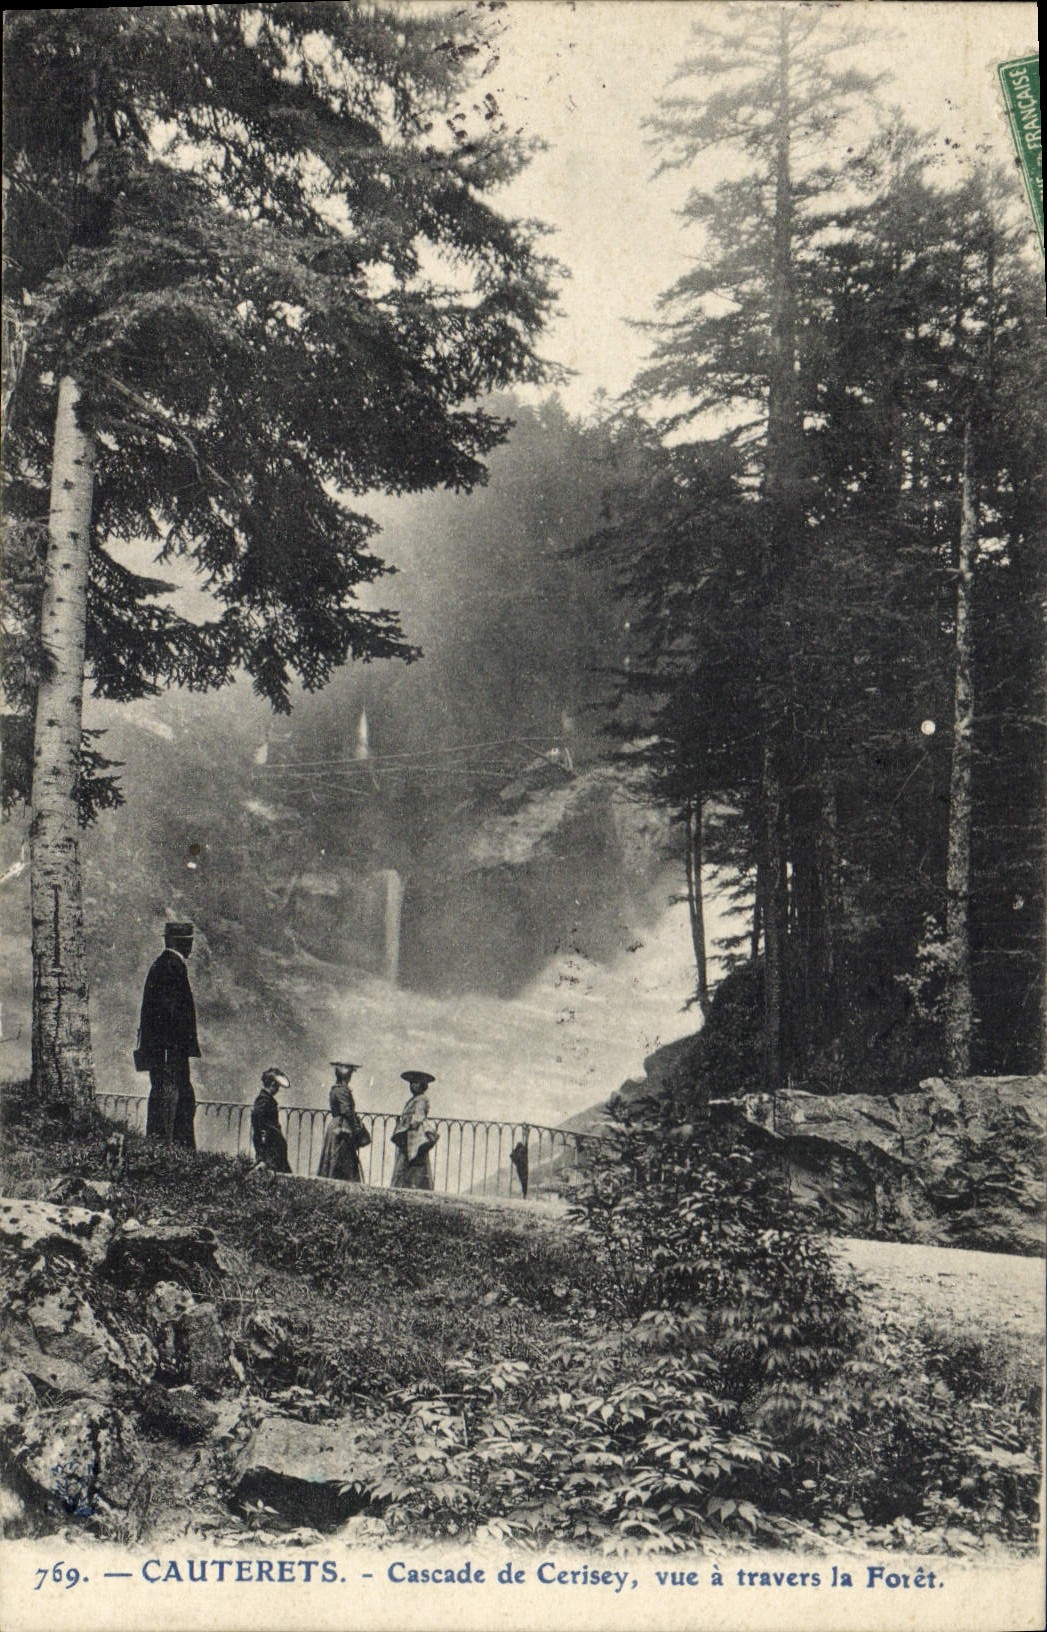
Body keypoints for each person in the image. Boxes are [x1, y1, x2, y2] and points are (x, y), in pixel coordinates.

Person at [137, 920, 200, 1149]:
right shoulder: (171, 966)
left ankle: (173, 1150)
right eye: (188, 942)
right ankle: (168, 1151)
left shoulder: (165, 965)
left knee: (179, 1100)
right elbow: (169, 1014)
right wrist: (171, 1050)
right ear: (177, 942)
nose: (190, 947)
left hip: (166, 1052)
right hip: (170, 1054)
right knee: (171, 1102)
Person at [316, 1061, 369, 1182]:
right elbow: (347, 1111)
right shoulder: (342, 1090)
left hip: (336, 1125)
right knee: (341, 1157)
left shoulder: (336, 1089)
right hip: (342, 1126)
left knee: (336, 1158)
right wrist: (356, 1127)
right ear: (347, 1076)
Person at [390, 1070, 438, 1190]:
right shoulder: (413, 1100)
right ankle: (404, 1186)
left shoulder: (422, 1099)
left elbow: (418, 1117)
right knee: (406, 1160)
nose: (413, 1086)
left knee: (415, 1160)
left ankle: (416, 1186)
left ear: (423, 1085)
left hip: (415, 1135)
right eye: (411, 1083)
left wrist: (408, 1125)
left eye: (416, 1083)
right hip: (409, 1135)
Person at [252, 1068, 292, 1173]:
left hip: (274, 1147)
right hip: (270, 1149)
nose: (278, 1089)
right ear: (273, 1084)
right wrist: (262, 1155)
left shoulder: (266, 1100)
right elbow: (260, 1128)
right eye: (277, 1086)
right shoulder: (264, 1101)